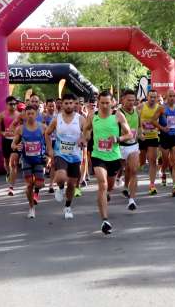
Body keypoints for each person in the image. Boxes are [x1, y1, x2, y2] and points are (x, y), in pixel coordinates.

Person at [83, 91, 132, 235]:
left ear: (112, 103)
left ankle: (107, 194)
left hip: (114, 157)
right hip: (98, 155)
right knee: (102, 184)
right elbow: (86, 130)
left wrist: (118, 139)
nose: (104, 105)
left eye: (107, 102)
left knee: (109, 186)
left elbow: (129, 134)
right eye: (102, 102)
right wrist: (84, 139)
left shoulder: (118, 116)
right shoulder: (93, 116)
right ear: (98, 102)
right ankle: (105, 220)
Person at [43, 94, 84, 220]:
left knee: (71, 184)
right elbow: (47, 133)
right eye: (66, 103)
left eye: (71, 103)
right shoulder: (57, 119)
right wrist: (50, 149)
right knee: (60, 176)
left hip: (75, 155)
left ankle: (67, 207)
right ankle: (60, 188)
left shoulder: (80, 119)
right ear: (62, 104)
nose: (68, 105)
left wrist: (84, 138)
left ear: (74, 104)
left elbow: (87, 132)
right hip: (60, 153)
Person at [12, 103, 49, 219]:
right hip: (26, 160)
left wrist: (49, 156)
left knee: (39, 184)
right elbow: (13, 143)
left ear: (36, 114)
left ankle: (35, 191)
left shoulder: (43, 127)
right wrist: (16, 147)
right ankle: (31, 208)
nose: (30, 116)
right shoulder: (20, 129)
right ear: (24, 115)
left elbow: (49, 142)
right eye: (28, 114)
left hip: (39, 159)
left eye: (32, 113)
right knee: (29, 185)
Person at [117, 90, 141, 211]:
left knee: (134, 170)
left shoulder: (137, 111)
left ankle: (131, 200)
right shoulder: (118, 113)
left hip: (133, 145)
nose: (131, 102)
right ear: (122, 100)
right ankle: (122, 184)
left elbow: (139, 126)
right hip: (119, 146)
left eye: (133, 100)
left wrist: (141, 135)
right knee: (122, 169)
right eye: (128, 100)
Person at [139, 89, 164, 196]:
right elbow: (136, 121)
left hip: (153, 136)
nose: (153, 99)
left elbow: (163, 120)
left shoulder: (159, 108)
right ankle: (134, 175)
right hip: (143, 137)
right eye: (151, 97)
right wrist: (140, 131)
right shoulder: (141, 107)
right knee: (142, 162)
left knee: (153, 161)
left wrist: (160, 128)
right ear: (147, 97)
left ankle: (152, 185)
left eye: (155, 97)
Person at [159, 91, 175, 197]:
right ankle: (163, 172)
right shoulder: (161, 108)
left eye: (174, 96)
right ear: (166, 97)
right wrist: (162, 128)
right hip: (165, 137)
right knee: (165, 161)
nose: (172, 98)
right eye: (170, 96)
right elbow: (153, 121)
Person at [0, 96, 21, 195]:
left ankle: (11, 187)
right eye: (11, 104)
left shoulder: (20, 115)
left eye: (15, 104)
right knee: (6, 162)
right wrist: (2, 133)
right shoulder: (2, 115)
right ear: (6, 105)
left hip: (16, 140)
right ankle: (8, 173)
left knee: (13, 163)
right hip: (6, 141)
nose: (13, 106)